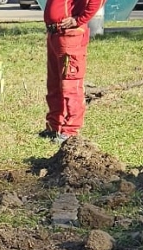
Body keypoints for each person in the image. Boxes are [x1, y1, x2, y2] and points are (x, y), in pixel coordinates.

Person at [41, 0, 105, 143]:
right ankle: (54, 126)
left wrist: (80, 19)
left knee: (70, 85)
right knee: (54, 84)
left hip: (69, 35)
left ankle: (70, 131)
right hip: (54, 34)